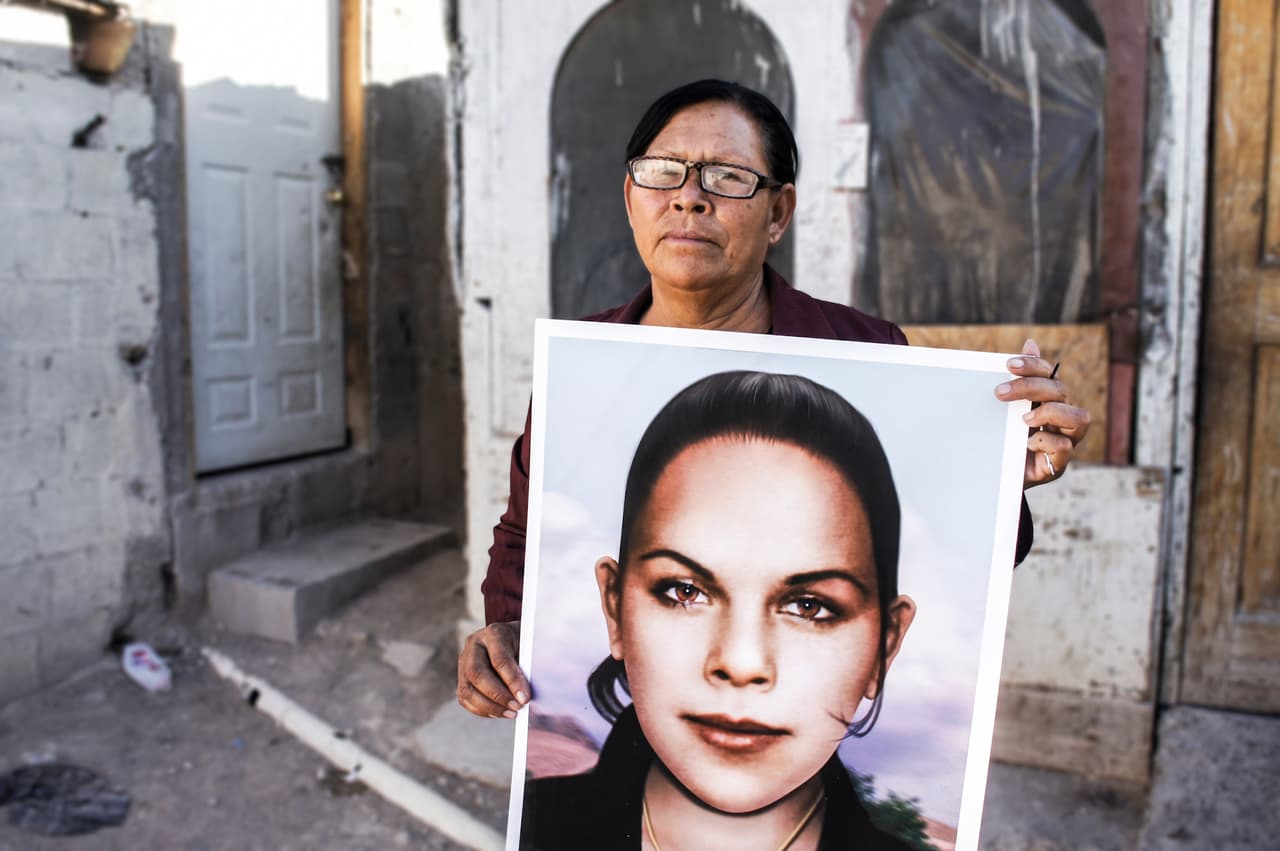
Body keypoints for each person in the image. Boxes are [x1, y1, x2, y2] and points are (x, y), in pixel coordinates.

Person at [457, 78, 1089, 724]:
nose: (689, 199)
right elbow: (523, 529)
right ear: (631, 197)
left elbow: (937, 554)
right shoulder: (580, 365)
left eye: (727, 177)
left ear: (780, 212)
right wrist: (506, 626)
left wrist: (1005, 477)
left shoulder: (869, 355)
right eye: (663, 173)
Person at [521, 370, 917, 850]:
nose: (741, 662)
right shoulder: (534, 830)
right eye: (685, 591)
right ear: (615, 608)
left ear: (886, 644)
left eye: (809, 606)